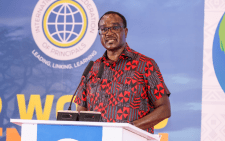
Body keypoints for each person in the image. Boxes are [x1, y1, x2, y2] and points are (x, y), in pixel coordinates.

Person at [74, 11, 171, 134]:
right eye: (104, 29)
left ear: (125, 32)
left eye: (115, 28)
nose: (109, 33)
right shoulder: (92, 68)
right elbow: (81, 111)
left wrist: (129, 129)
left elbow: (164, 109)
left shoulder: (145, 64)